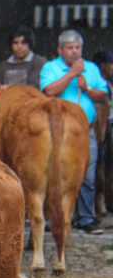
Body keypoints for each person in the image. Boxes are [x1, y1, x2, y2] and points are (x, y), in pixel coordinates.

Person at [41, 29, 109, 234]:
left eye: (77, 48)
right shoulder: (50, 67)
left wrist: (86, 87)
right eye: (69, 48)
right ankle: (55, 217)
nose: (74, 52)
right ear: (60, 49)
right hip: (57, 130)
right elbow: (49, 91)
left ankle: (86, 218)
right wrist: (71, 73)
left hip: (85, 131)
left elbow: (102, 95)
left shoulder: (91, 68)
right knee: (55, 173)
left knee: (86, 173)